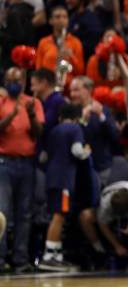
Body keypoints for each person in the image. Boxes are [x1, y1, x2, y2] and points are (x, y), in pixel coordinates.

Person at [0, 66, 44, 274]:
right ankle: (0, 259)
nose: (13, 83)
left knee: (24, 214)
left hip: (27, 164)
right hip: (4, 163)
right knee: (2, 213)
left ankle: (20, 259)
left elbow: (38, 133)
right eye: (9, 80)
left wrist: (31, 116)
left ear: (24, 81)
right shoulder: (1, 101)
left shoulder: (33, 102)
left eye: (16, 80)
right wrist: (11, 116)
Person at [38, 103, 91, 272]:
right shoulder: (75, 129)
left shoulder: (54, 130)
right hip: (64, 180)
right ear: (77, 117)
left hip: (51, 178)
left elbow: (43, 157)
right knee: (59, 215)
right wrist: (87, 150)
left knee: (58, 214)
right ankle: (49, 257)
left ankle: (57, 255)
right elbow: (77, 151)